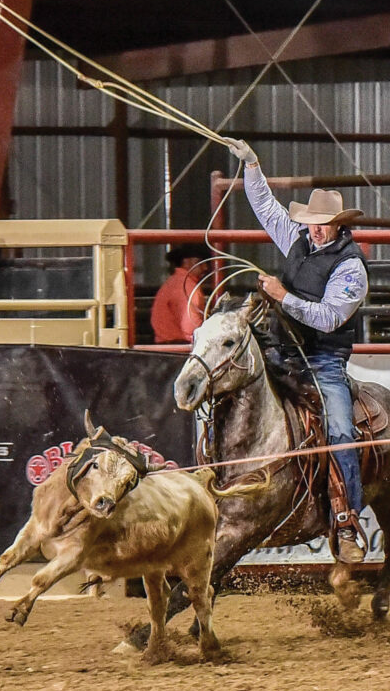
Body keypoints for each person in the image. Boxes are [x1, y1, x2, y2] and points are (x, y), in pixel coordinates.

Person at [225, 138, 371, 565]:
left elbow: (328, 318)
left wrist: (281, 295)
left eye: (324, 224)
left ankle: (346, 520)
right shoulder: (298, 237)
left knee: (342, 430)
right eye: (313, 223)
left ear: (339, 225)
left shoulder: (350, 267)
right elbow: (267, 207)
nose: (317, 229)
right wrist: (252, 165)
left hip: (324, 360)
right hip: (283, 351)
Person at [150, 244, 209, 344]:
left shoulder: (175, 281)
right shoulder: (187, 286)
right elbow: (190, 325)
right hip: (179, 346)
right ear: (186, 262)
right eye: (200, 263)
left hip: (167, 345)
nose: (205, 268)